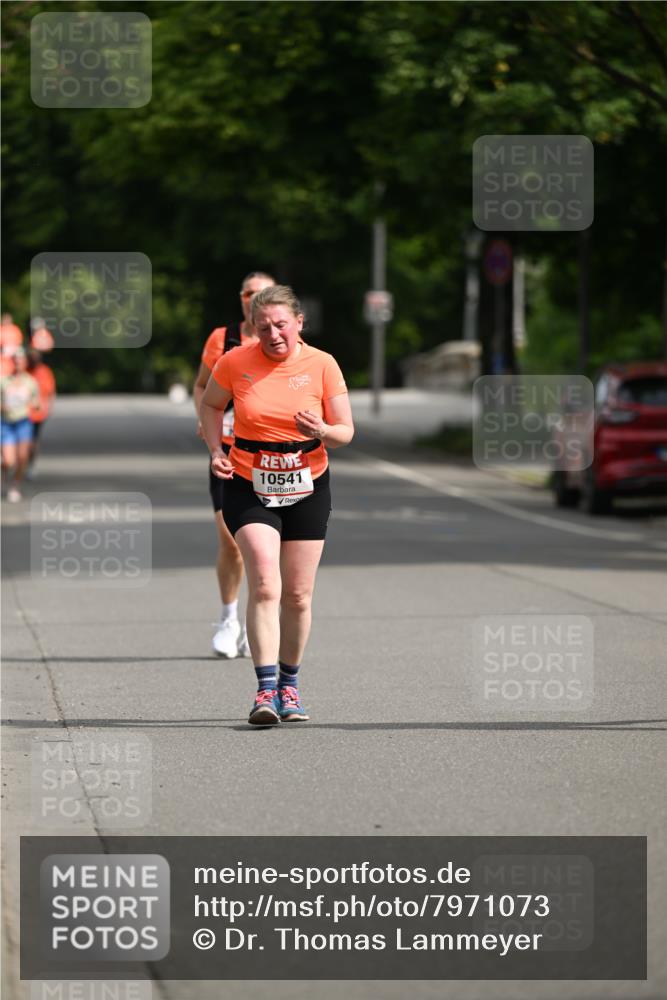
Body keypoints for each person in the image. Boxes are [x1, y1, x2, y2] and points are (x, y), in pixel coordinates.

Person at [200, 284, 354, 725]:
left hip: (308, 483)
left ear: (299, 323)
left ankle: (290, 685)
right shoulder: (235, 361)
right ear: (253, 328)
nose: (273, 334)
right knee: (266, 584)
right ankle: (265, 690)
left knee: (299, 595)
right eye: (263, 327)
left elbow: (346, 432)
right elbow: (211, 405)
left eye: (281, 325)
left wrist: (323, 429)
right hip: (249, 483)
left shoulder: (322, 364)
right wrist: (216, 450)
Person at [193, 271, 276, 658]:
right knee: (231, 538)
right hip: (228, 452)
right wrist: (205, 420)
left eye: (264, 293)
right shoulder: (222, 339)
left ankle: (260, 615)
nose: (255, 298)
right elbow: (201, 385)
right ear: (241, 298)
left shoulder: (284, 340)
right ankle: (229, 618)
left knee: (266, 545)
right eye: (249, 293)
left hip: (272, 455)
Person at [1, 348, 40, 502]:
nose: (18, 363)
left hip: (23, 422)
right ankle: (4, 470)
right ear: (12, 362)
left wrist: (35, 405)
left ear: (25, 362)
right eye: (15, 360)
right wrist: (3, 407)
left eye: (21, 360)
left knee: (23, 457)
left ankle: (15, 486)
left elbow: (37, 402)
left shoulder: (30, 382)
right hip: (6, 423)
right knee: (9, 461)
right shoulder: (3, 381)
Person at [26, 347, 56, 476]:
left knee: (33, 440)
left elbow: (51, 391)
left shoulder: (45, 371)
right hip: (23, 412)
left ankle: (31, 463)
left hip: (39, 413)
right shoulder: (24, 370)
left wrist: (50, 406)